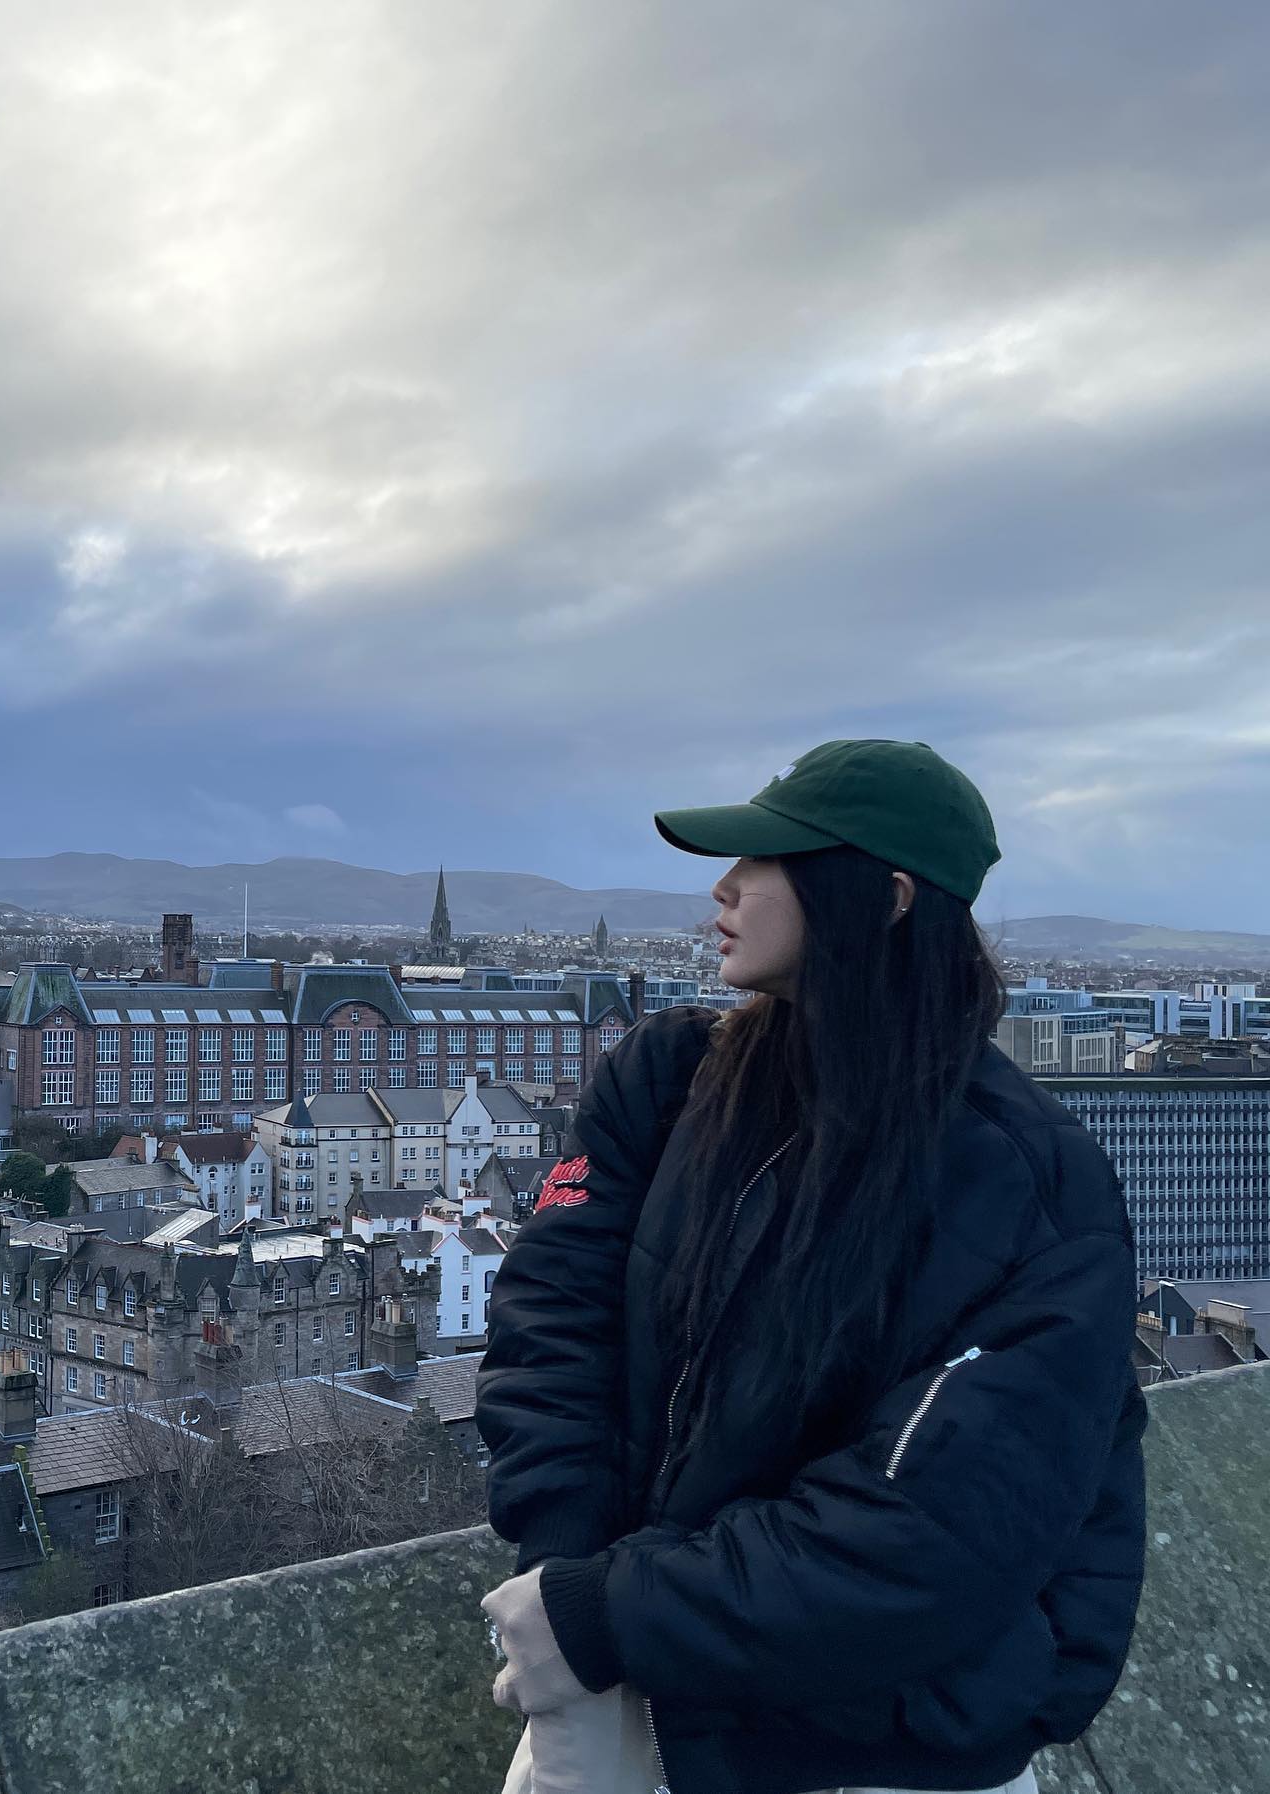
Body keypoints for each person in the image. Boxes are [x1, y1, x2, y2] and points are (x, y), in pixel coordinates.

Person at [475, 739, 1147, 1794]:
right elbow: (549, 1319)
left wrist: (615, 1609)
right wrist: (568, 1570)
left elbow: (936, 1523)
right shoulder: (666, 1080)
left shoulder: (1033, 1186)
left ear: (885, 900)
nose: (725, 886)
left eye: (769, 859)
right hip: (626, 1684)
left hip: (880, 1746)